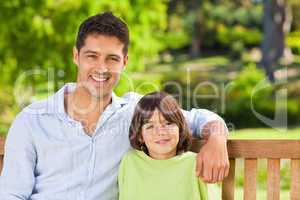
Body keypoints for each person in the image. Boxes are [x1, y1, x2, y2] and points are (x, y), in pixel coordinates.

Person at [0, 12, 229, 200]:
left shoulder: (138, 114)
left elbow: (200, 119)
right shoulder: (33, 120)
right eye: (92, 56)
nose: (102, 68)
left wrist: (217, 139)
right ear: (76, 56)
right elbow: (11, 195)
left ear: (125, 62)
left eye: (112, 58)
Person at [118, 92, 207, 200]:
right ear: (140, 135)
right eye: (150, 126)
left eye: (168, 123)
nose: (160, 132)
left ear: (180, 128)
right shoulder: (130, 161)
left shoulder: (196, 164)